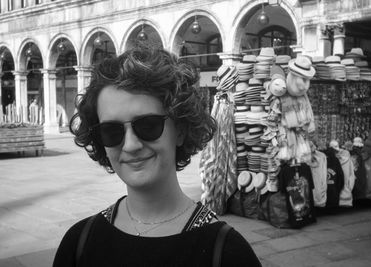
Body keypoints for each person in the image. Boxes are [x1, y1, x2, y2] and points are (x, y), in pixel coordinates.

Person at [53, 44, 261, 267]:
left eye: (148, 125)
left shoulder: (228, 254)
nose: (131, 145)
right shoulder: (79, 242)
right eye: (111, 131)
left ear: (180, 129)